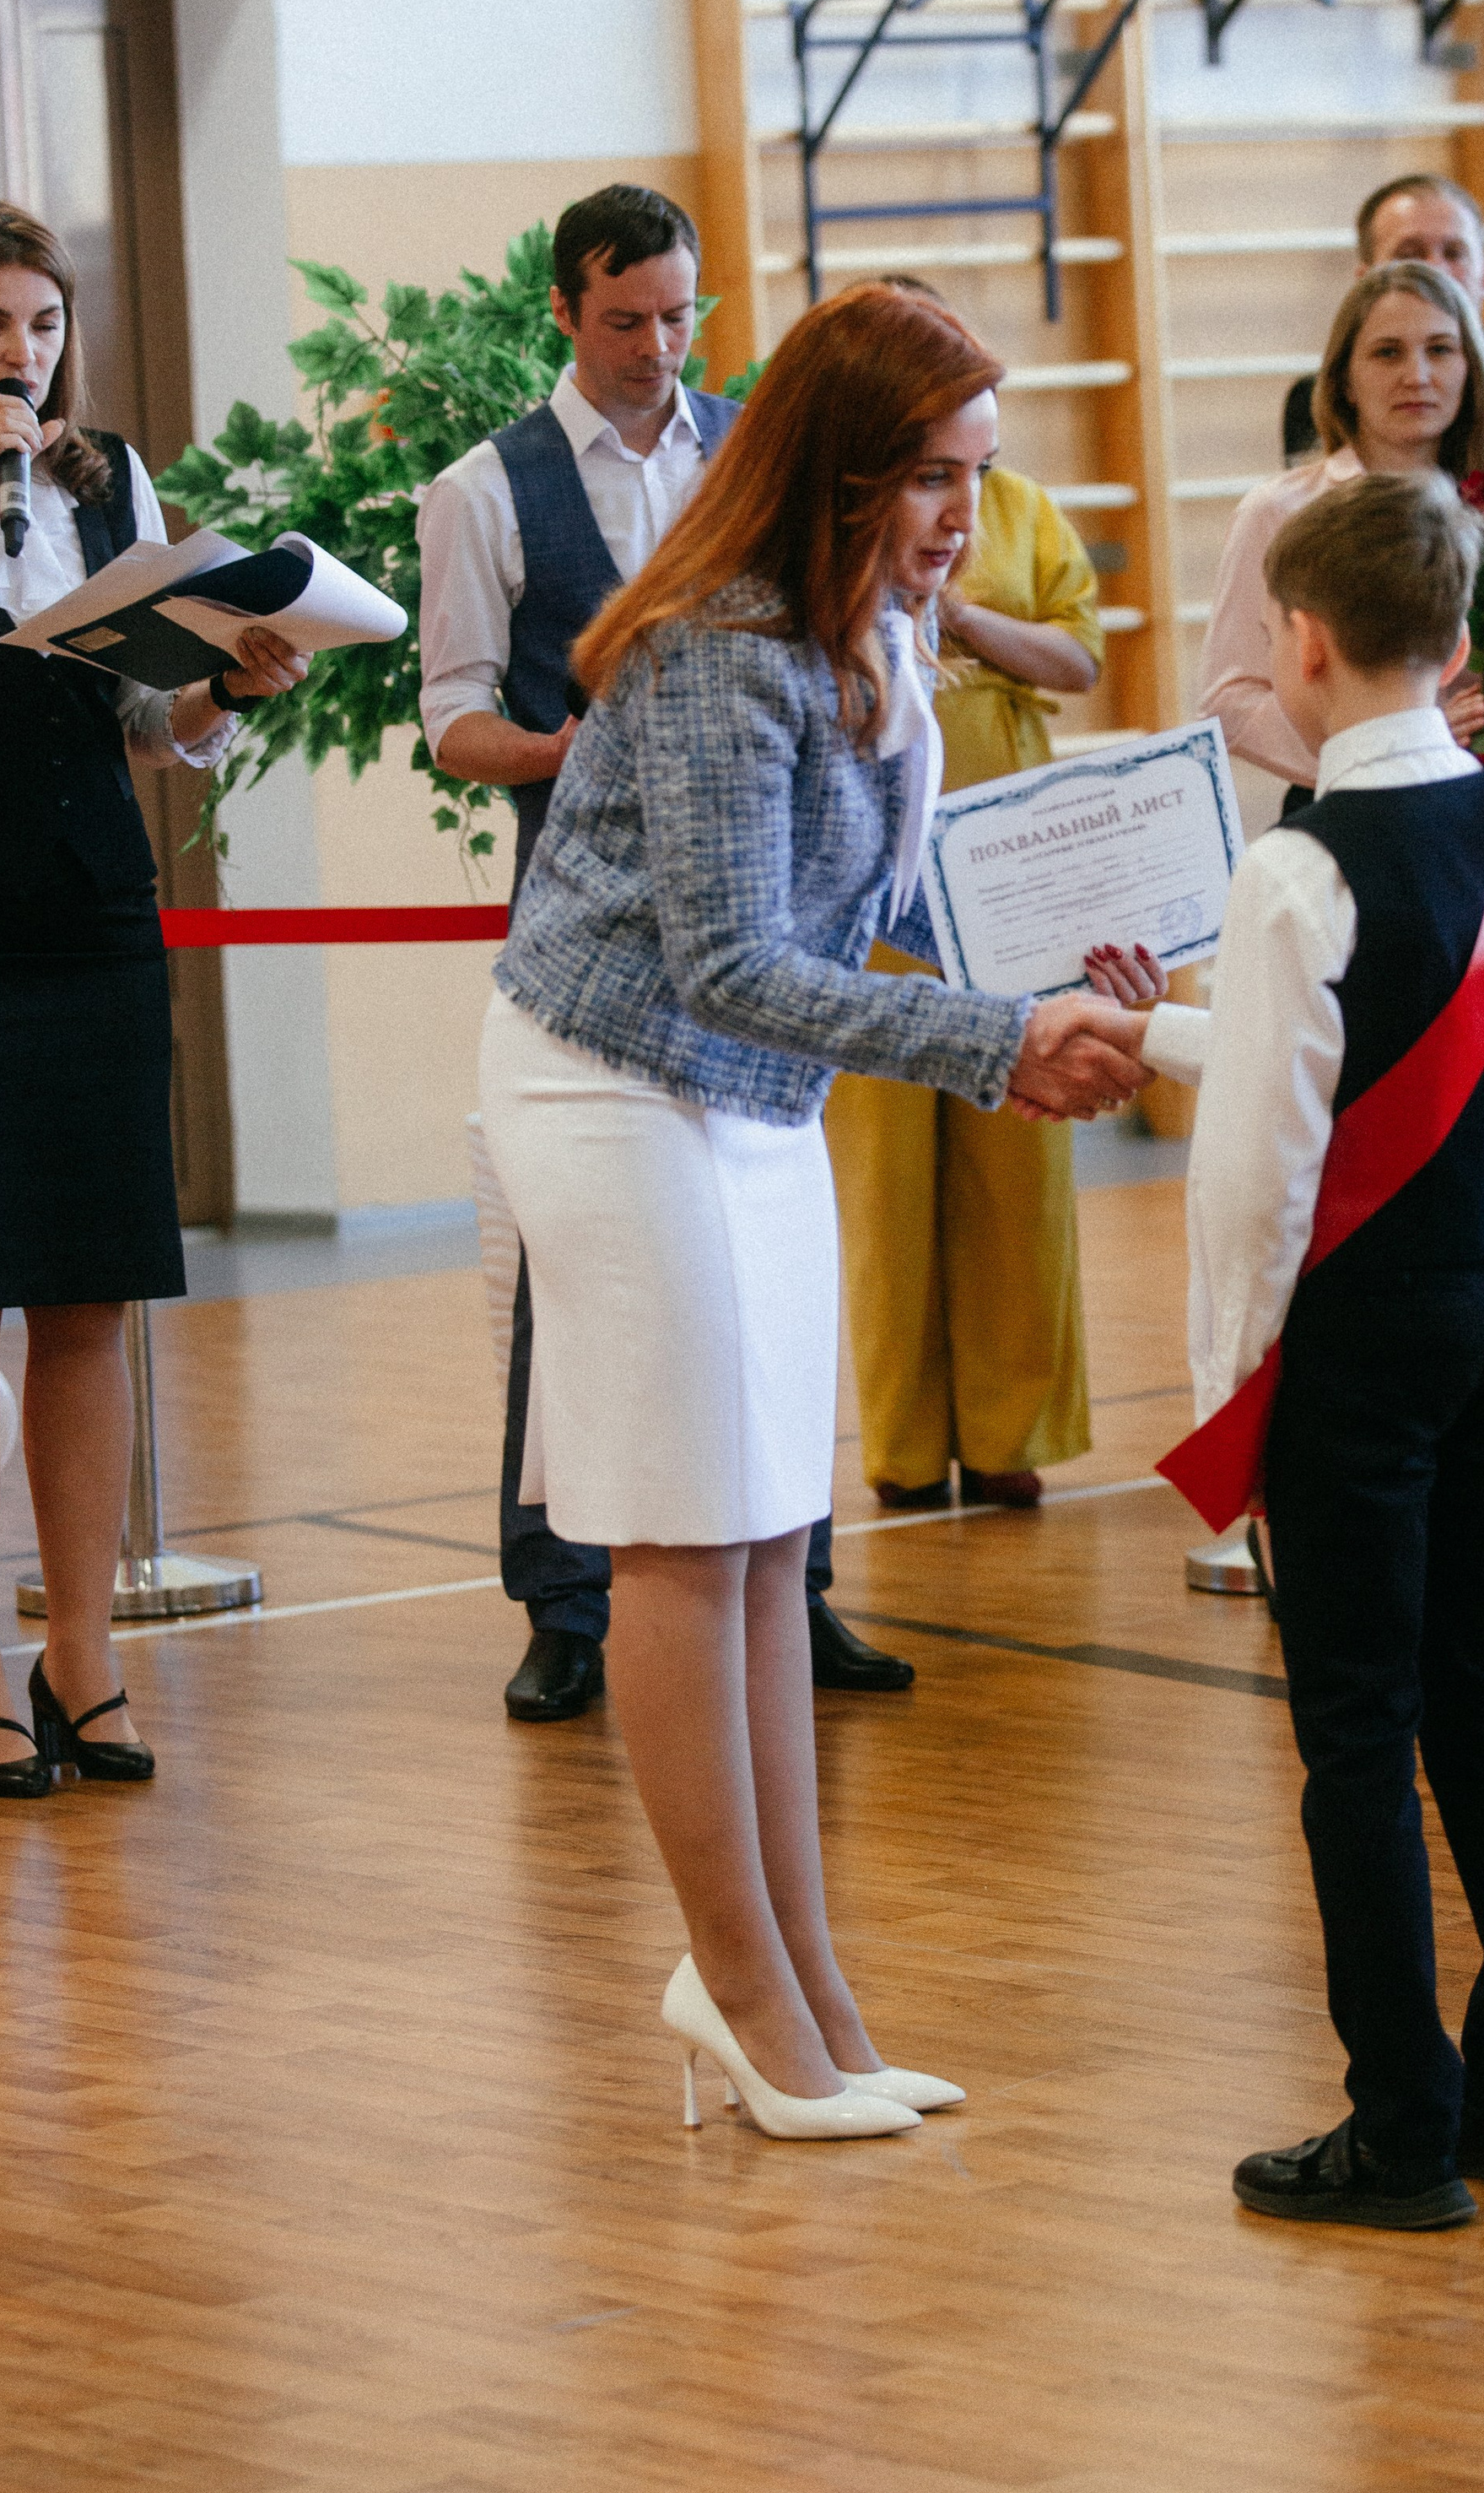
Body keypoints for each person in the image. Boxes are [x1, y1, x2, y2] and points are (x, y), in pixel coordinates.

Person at [475, 283, 1144, 2139]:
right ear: (838, 472)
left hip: (742, 1093)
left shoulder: (878, 626)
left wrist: (1052, 972)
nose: (960, 514)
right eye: (931, 478)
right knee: (690, 1542)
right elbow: (726, 960)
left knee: (774, 1529)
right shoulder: (715, 649)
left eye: (976, 476)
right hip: (611, 1083)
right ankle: (747, 1995)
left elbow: (847, 919)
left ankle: (806, 1987)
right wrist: (996, 1037)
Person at [1129, 473, 1484, 2230]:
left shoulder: (1292, 866)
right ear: (1460, 640)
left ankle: (1399, 2125)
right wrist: (1160, 1021)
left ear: (1295, 642)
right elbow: (1411, 1061)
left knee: (1350, 1732)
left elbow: (1259, 1178)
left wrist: (1222, 1417)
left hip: (1356, 1341)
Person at [0, 200, 305, 1795]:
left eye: (44, 325)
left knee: (90, 1302)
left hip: (90, 912)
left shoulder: (113, 483)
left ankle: (83, 1652)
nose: (24, 356)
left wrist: (222, 689)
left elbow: (141, 715)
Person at [418, 184, 903, 1717]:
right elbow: (451, 721)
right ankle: (562, 1603)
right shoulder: (485, 490)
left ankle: (796, 1577)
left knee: (764, 1269)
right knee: (573, 1280)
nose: (657, 346)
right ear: (563, 309)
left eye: (679, 315)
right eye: (625, 319)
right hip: (593, 936)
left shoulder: (749, 449)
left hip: (763, 913)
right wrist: (582, 745)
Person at [825, 452, 1104, 1509]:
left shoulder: (1027, 507)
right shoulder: (841, 516)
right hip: (877, 866)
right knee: (885, 1167)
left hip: (1012, 869)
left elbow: (1080, 658)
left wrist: (963, 620)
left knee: (1017, 1160)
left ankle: (1007, 1434)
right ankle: (901, 1444)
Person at [1201, 260, 1484, 801]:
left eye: (1440, 349)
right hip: (1346, 804)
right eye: (1388, 352)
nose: (1418, 376)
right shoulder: (1282, 509)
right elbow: (1229, 700)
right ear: (1344, 382)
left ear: (1471, 371)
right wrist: (1390, 745)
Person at [1279, 175, 1484, 473]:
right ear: (1366, 281)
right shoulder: (1315, 396)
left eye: (1454, 253)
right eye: (1409, 255)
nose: (1436, 270)